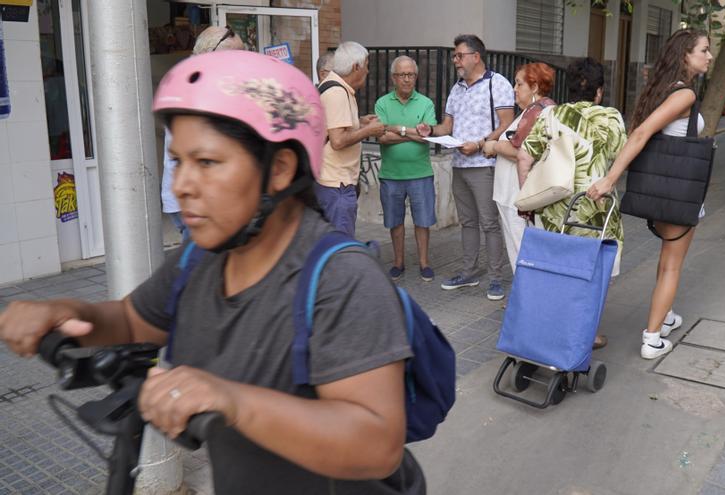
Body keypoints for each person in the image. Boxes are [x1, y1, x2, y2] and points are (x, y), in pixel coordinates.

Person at [0, 51, 425, 494]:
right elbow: (132, 321)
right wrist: (67, 313)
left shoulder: (341, 278)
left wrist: (232, 400)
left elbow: (376, 445)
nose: (182, 184)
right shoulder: (200, 259)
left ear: (279, 169)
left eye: (206, 162)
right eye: (178, 161)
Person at [587, 28, 713, 360]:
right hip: (678, 191)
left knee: (667, 260)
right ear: (686, 54)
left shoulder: (662, 90)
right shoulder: (683, 95)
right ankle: (652, 337)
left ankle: (665, 314)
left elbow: (643, 132)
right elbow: (641, 133)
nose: (709, 56)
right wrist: (610, 179)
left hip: (660, 188)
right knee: (672, 265)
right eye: (704, 50)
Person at [516, 57, 626, 350]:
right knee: (592, 276)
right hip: (595, 211)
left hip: (554, 212)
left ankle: (551, 330)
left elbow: (524, 156)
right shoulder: (611, 118)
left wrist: (528, 199)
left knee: (555, 272)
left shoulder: (551, 115)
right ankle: (584, 335)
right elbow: (620, 158)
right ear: (599, 91)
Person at [417, 34, 515, 301]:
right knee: (468, 222)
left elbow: (507, 123)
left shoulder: (498, 84)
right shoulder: (456, 88)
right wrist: (431, 130)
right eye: (454, 56)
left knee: (489, 223)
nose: (455, 60)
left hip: (485, 163)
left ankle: (496, 278)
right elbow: (447, 127)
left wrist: (481, 143)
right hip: (459, 164)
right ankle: (469, 272)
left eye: (459, 55)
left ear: (476, 56)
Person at [161, 26, 245, 243]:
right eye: (236, 57)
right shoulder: (194, 89)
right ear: (211, 55)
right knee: (201, 265)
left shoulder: (199, 83)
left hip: (203, 198)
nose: (242, 64)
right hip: (196, 200)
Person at [482, 62, 555, 271]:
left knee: (520, 251)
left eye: (519, 84)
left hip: (516, 195)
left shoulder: (537, 111)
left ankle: (526, 299)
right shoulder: (534, 110)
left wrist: (494, 146)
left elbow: (523, 153)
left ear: (534, 87)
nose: (514, 89)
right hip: (514, 193)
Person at [375, 56, 438, 282]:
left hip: (420, 173)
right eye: (402, 75)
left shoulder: (426, 103)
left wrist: (397, 130)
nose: (407, 79)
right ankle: (398, 263)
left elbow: (426, 137)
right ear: (394, 77)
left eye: (411, 74)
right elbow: (381, 137)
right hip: (391, 175)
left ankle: (424, 263)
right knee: (395, 222)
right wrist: (411, 132)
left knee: (423, 221)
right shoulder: (382, 103)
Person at [316, 41, 386, 237]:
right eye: (367, 65)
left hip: (332, 183)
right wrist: (369, 130)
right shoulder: (337, 92)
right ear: (356, 66)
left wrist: (360, 122)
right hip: (336, 185)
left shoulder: (336, 86)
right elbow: (338, 141)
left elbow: (334, 127)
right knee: (340, 246)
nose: (368, 71)